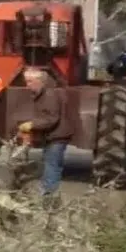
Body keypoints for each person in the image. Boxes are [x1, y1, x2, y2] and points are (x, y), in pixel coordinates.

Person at [17, 67, 78, 196]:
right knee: (49, 163)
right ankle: (47, 191)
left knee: (52, 164)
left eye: (29, 81)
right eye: (26, 81)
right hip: (52, 135)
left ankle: (48, 195)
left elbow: (51, 119)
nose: (27, 85)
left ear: (39, 81)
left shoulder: (49, 95)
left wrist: (32, 125)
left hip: (57, 136)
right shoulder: (42, 94)